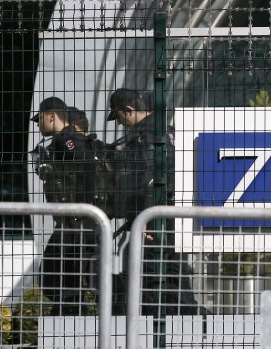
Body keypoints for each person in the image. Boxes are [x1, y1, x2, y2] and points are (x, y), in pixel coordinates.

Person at [107, 88, 207, 315]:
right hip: (172, 216)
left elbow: (151, 180)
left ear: (129, 110)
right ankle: (195, 328)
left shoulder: (146, 136)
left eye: (119, 116)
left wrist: (146, 220)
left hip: (153, 219)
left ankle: (188, 328)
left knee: (149, 277)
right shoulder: (165, 131)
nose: (120, 123)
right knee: (171, 276)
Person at [31, 97, 98, 315]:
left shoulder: (67, 139)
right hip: (72, 221)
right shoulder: (60, 141)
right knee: (65, 277)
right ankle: (68, 323)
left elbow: (88, 165)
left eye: (40, 119)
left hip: (76, 222)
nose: (38, 125)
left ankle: (71, 321)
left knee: (54, 275)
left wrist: (85, 207)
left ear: (51, 116)